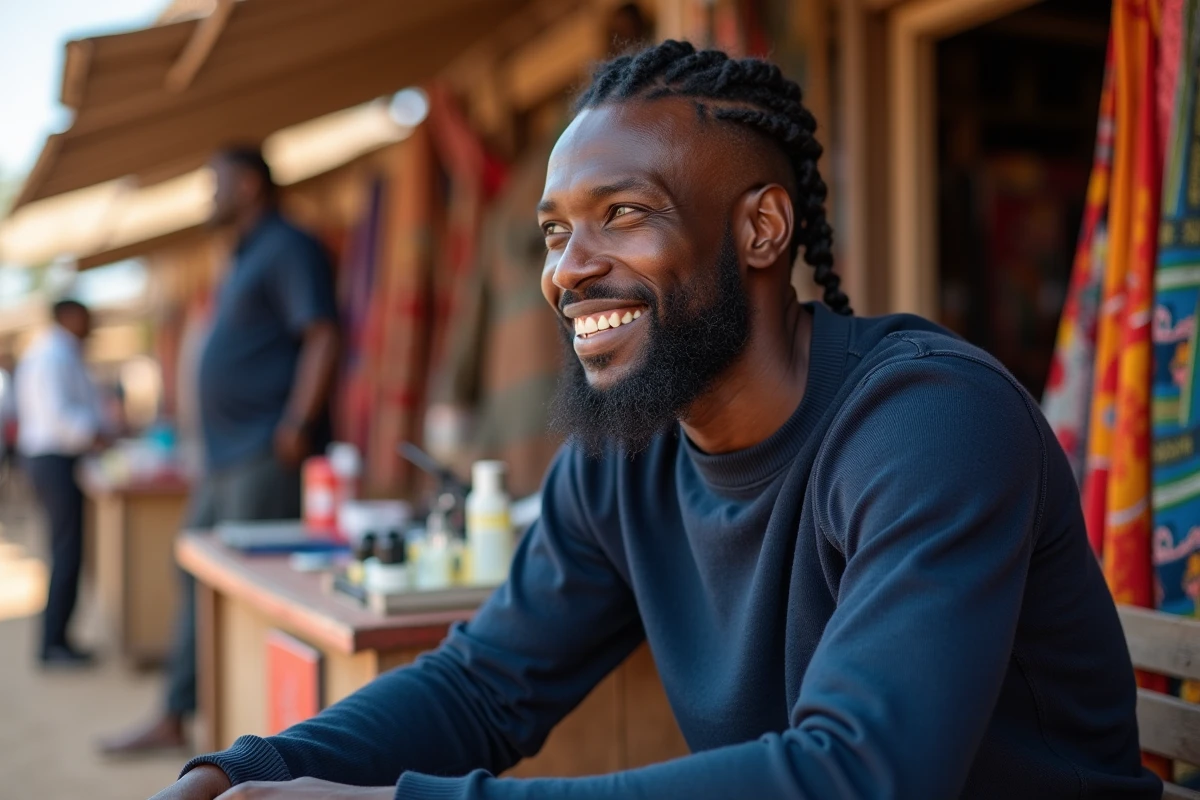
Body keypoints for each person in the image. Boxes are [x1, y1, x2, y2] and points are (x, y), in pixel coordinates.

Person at [152, 42, 1159, 799]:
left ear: (762, 229)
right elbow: (483, 685)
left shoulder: (931, 425)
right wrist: (243, 769)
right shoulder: (625, 454)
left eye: (621, 213)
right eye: (555, 231)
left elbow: (861, 774)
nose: (567, 268)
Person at [102, 146, 340, 755]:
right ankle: (179, 712)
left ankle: (263, 742)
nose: (209, 195)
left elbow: (320, 333)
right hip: (226, 456)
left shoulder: (288, 246)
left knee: (252, 593)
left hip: (265, 449)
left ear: (251, 185)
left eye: (218, 183)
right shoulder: (241, 256)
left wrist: (295, 422)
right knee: (194, 574)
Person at [15, 299, 107, 667]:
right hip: (54, 460)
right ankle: (54, 644)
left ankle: (59, 639)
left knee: (67, 551)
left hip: (53, 459)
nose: (90, 324)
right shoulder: (53, 356)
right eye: (86, 317)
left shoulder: (55, 352)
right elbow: (59, 419)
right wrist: (97, 434)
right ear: (68, 317)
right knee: (66, 552)